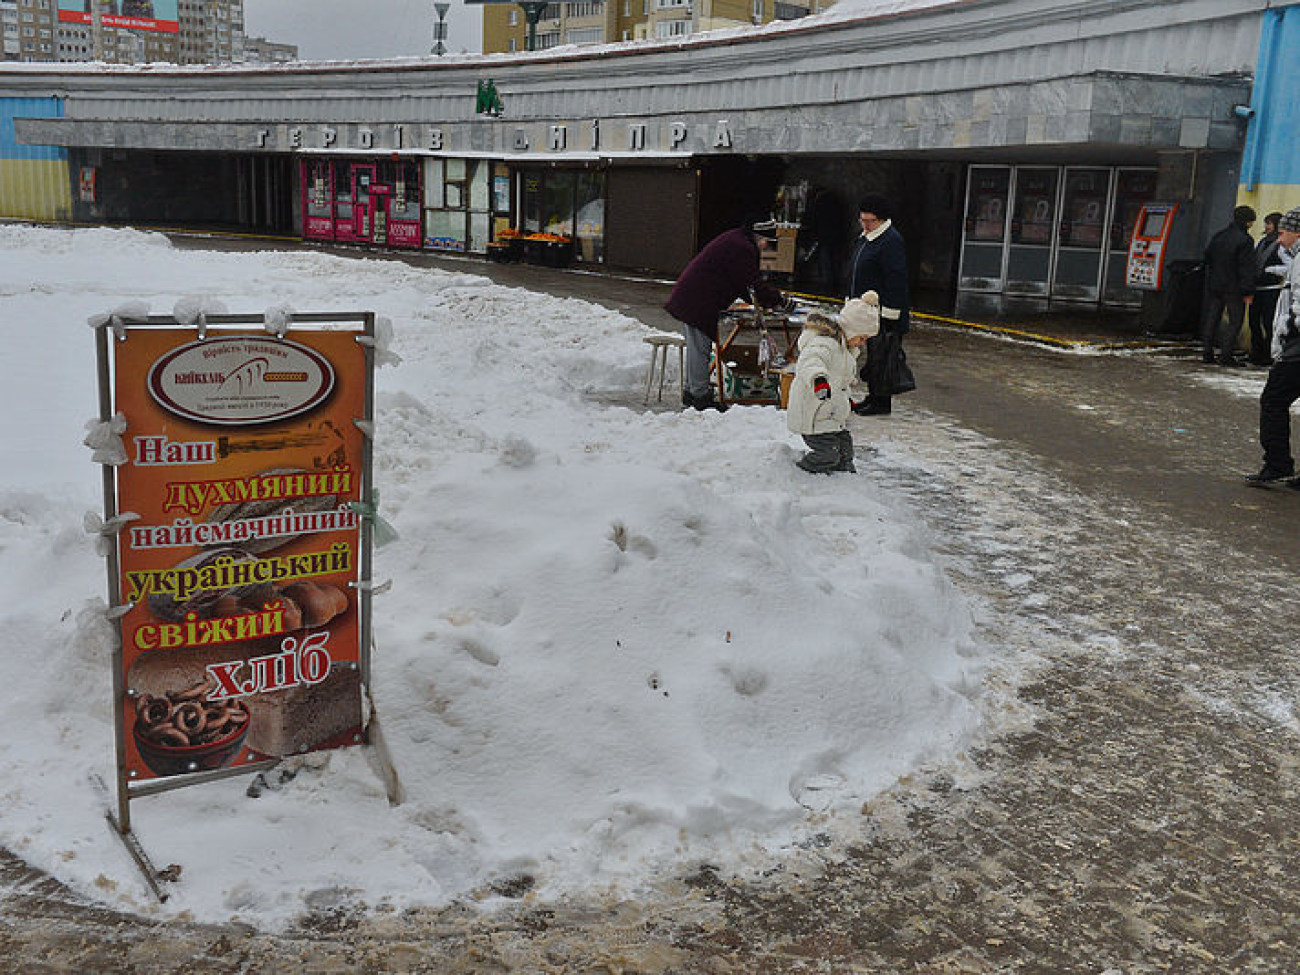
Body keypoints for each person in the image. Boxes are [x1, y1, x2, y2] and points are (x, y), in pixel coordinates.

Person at [665, 216, 792, 411]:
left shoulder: (737, 239)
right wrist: (779, 300)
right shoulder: (743, 248)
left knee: (696, 347)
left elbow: (744, 285)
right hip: (697, 301)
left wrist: (765, 299)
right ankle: (700, 397)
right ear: (761, 238)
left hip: (693, 297)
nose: (766, 248)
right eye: (768, 243)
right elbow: (751, 285)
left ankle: (692, 392)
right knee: (700, 348)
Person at [786, 293, 880, 474]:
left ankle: (844, 477)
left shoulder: (846, 351)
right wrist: (819, 380)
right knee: (828, 453)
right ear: (851, 329)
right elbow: (810, 362)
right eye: (862, 337)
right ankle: (800, 472)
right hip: (813, 412)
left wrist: (848, 402)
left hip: (830, 413)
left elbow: (841, 384)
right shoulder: (825, 344)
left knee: (845, 448)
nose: (863, 343)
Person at [1246, 206, 1300, 483]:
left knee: (1273, 401)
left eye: (1284, 232)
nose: (1279, 239)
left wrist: (1289, 338)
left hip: (1297, 350)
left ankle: (1277, 464)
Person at [845, 193, 909, 415]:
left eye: (870, 221)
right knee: (873, 355)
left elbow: (896, 279)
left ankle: (881, 402)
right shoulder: (865, 237)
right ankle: (873, 397)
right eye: (862, 220)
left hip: (882, 313)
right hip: (865, 311)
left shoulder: (891, 241)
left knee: (882, 356)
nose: (865, 225)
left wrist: (890, 315)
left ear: (881, 220)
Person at [1200, 204, 1257, 366]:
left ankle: (1207, 352)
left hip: (1215, 285)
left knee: (1212, 319)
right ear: (1247, 222)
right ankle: (1226, 355)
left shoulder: (1219, 236)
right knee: (1235, 322)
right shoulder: (1245, 240)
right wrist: (1248, 290)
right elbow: (1246, 268)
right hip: (1234, 289)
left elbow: (1208, 257)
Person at [1249, 211, 1289, 365]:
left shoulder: (1281, 245)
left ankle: (1267, 353)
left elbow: (1287, 266)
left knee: (1268, 322)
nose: (1266, 227)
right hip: (1257, 288)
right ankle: (1256, 351)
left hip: (1271, 288)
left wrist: (1270, 271)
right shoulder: (1262, 242)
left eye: (1269, 223)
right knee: (1254, 322)